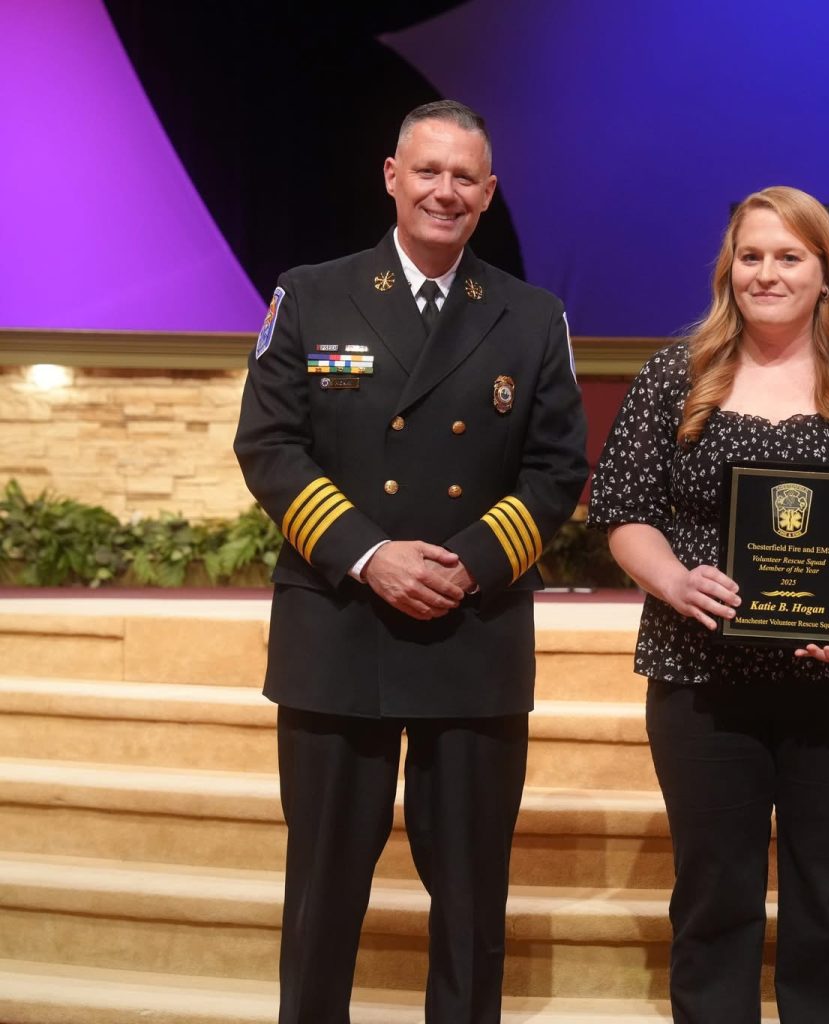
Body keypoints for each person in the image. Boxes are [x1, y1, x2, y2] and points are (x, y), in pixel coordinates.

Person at [233, 99, 588, 1023]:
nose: (445, 191)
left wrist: (467, 563)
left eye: (464, 177)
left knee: (472, 901)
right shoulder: (309, 293)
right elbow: (270, 447)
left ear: (489, 193)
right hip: (338, 630)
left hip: (471, 636)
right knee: (321, 896)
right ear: (391, 177)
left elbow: (557, 470)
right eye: (427, 171)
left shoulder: (531, 314)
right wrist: (370, 555)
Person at [587, 186, 829, 1023]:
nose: (767, 273)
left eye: (789, 257)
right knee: (714, 898)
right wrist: (673, 580)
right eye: (750, 256)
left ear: (827, 272)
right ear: (729, 268)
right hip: (701, 678)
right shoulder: (676, 375)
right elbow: (623, 511)